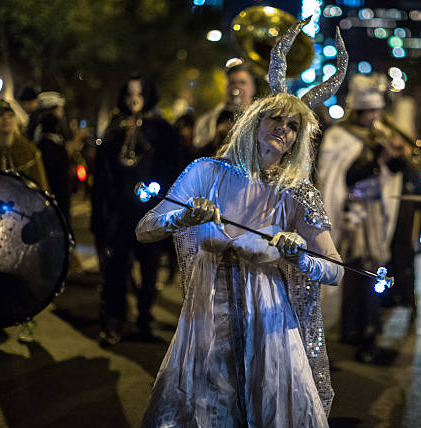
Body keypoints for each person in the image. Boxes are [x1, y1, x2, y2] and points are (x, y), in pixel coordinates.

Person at [136, 20, 348, 426]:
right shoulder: (206, 171)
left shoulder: (297, 192)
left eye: (292, 127)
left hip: (269, 326)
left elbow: (335, 269)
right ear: (255, 121)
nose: (282, 130)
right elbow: (145, 228)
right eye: (276, 120)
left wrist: (299, 256)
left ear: (299, 139)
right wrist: (184, 216)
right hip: (205, 319)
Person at [317, 73, 404, 364]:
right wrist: (374, 160)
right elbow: (342, 176)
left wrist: (395, 159)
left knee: (369, 270)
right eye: (372, 111)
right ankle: (359, 330)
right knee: (358, 272)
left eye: (378, 110)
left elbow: (392, 172)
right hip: (352, 214)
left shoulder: (378, 135)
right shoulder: (338, 136)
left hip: (373, 213)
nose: (377, 116)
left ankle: (363, 329)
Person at [91, 74, 181, 345]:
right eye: (130, 93)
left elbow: (173, 166)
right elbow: (103, 170)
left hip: (150, 209)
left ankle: (144, 318)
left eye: (139, 93)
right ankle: (114, 320)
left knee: (150, 266)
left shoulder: (161, 128)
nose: (134, 99)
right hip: (120, 211)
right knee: (116, 267)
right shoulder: (115, 127)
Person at [0, 100, 50, 345]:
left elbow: (42, 192)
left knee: (23, 274)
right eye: (1, 116)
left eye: (10, 116)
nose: (6, 120)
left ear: (15, 121)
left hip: (20, 227)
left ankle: (26, 320)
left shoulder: (28, 151)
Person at [192, 62, 256, 151]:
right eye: (232, 83)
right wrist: (217, 139)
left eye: (242, 82)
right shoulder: (207, 120)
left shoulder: (260, 117)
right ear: (226, 88)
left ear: (252, 88)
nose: (237, 87)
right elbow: (198, 152)